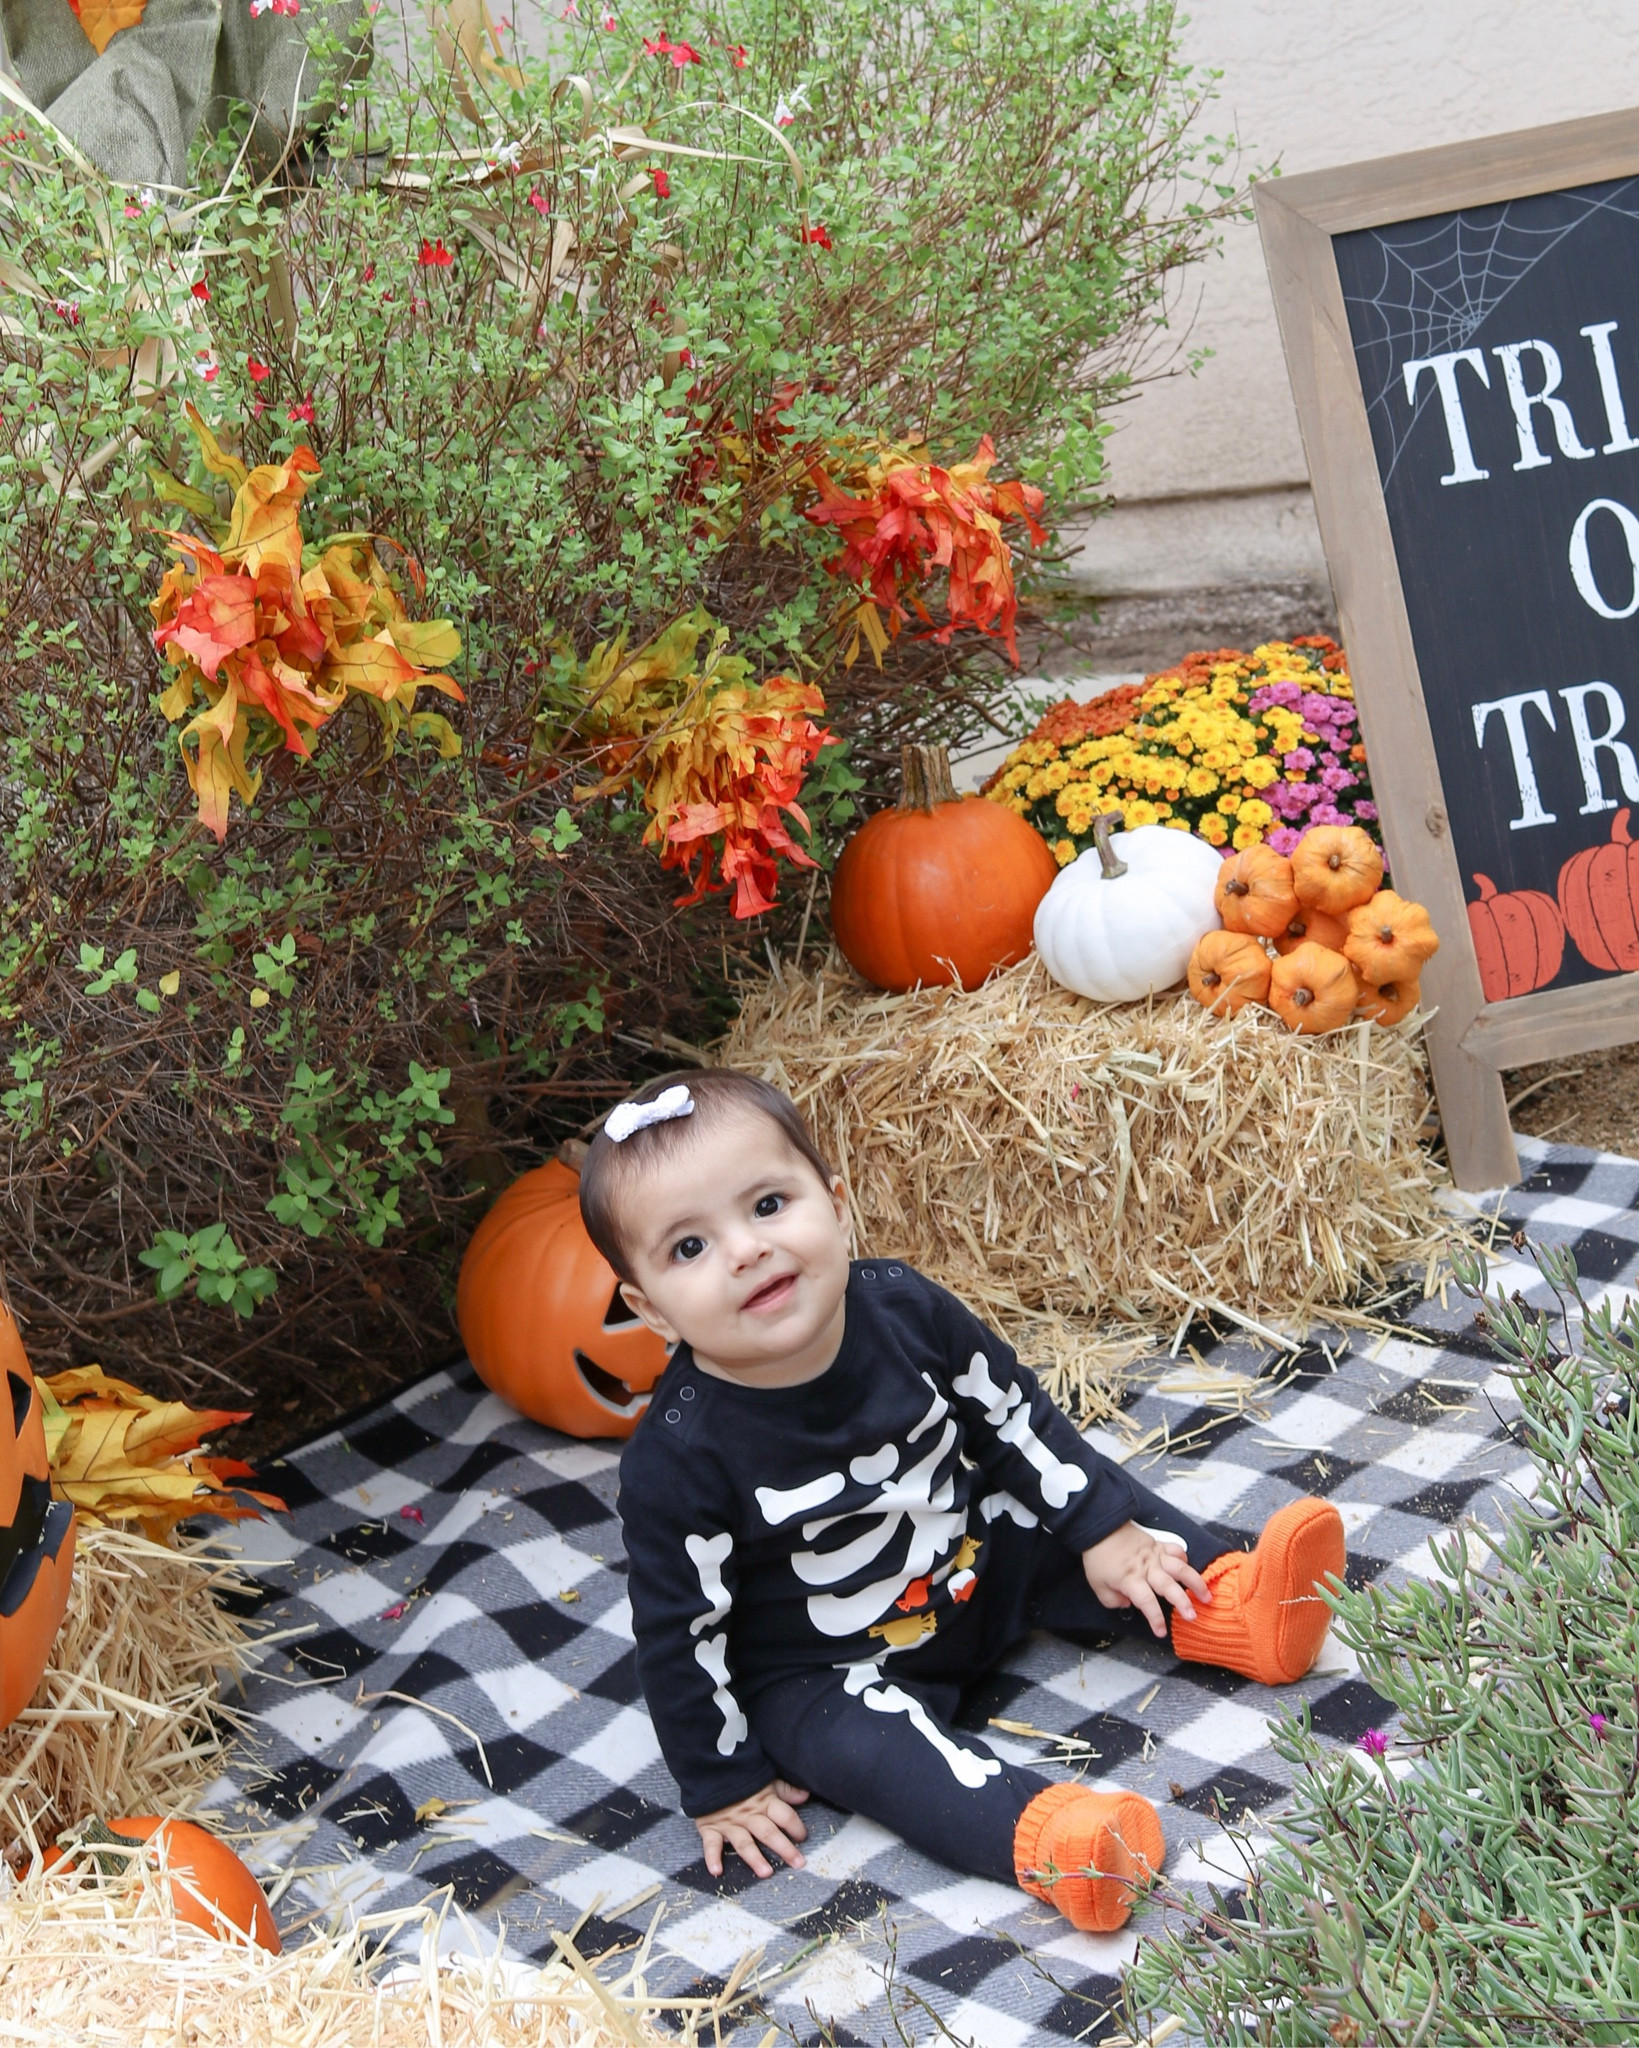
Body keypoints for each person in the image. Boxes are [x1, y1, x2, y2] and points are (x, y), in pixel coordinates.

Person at [579, 1070, 1345, 1933]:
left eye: (766, 1205)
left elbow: (1014, 1418)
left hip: (974, 1559)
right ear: (649, 1310)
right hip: (829, 1666)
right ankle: (1056, 1839)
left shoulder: (902, 1307)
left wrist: (1099, 1529)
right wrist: (720, 1783)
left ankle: (1234, 1605)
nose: (745, 1249)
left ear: (834, 1203)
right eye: (690, 1248)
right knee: (878, 1758)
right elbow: (680, 1637)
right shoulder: (677, 1459)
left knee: (1084, 1508)